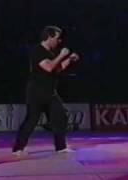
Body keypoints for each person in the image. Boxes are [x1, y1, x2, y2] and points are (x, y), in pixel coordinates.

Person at [12, 26, 80, 155]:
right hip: (36, 91)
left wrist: (69, 60)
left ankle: (61, 147)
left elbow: (57, 68)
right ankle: (18, 148)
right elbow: (48, 67)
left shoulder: (51, 53)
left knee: (60, 117)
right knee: (31, 120)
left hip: (50, 91)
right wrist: (62, 55)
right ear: (49, 37)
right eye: (57, 38)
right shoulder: (38, 51)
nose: (59, 41)